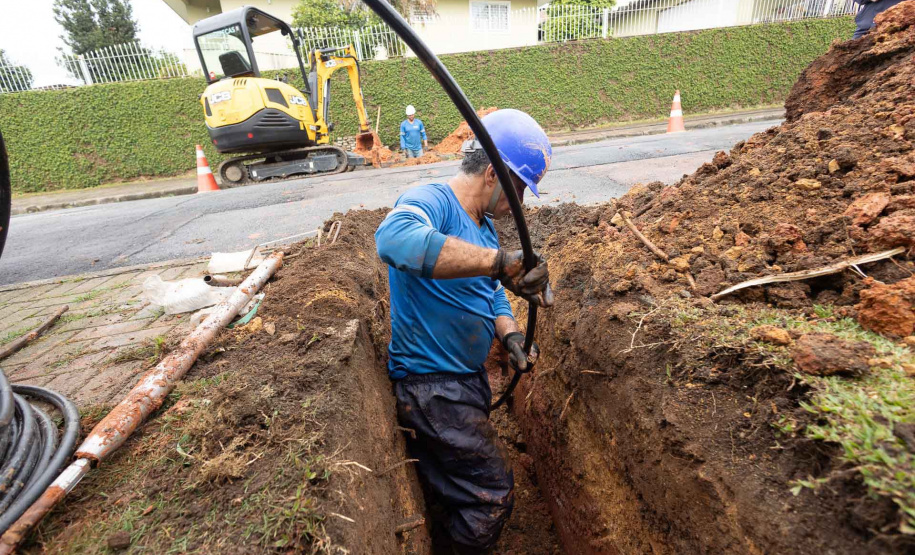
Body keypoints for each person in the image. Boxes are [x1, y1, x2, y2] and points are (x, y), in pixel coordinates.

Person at [375, 109, 554, 554]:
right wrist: (498, 262)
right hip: (431, 387)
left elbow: (491, 292)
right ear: (493, 173)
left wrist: (510, 334)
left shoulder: (485, 226)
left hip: (461, 386)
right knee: (492, 494)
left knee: (454, 485)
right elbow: (393, 240)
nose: (521, 207)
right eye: (518, 192)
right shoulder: (431, 199)